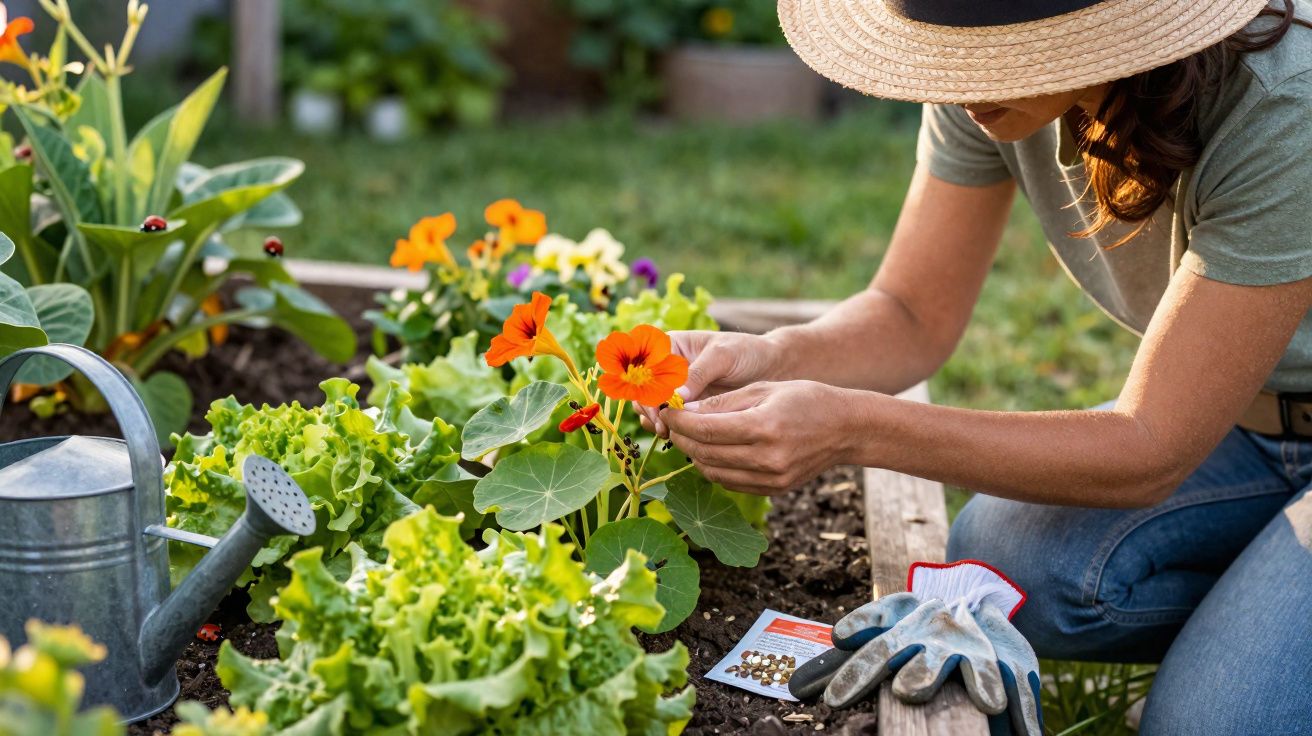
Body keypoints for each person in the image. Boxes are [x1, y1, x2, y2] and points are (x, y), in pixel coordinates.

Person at [639, 1, 1312, 732]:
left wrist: (851, 429)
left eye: (999, 55)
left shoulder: (1285, 103)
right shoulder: (977, 60)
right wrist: (767, 356)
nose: (959, 82)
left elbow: (1151, 446)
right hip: (1239, 425)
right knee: (1002, 557)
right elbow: (910, 313)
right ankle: (1256, 621)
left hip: (1195, 435)